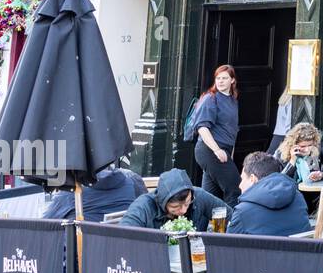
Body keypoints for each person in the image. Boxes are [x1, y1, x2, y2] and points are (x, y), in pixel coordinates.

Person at [192, 64, 242, 206]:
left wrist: (229, 153)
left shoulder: (233, 101)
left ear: (232, 80)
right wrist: (217, 150)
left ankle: (201, 226)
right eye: (218, 78)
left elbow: (232, 131)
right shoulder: (210, 98)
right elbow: (202, 128)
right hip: (210, 150)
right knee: (235, 188)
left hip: (223, 150)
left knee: (209, 196)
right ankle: (234, 226)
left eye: (224, 78)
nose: (220, 81)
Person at [228, 151, 311, 237]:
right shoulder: (298, 197)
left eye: (243, 179)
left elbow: (227, 247)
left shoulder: (242, 211)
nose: (240, 185)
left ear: (252, 179)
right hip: (301, 250)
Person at [119, 168, 229, 232]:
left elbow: (233, 218)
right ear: (163, 202)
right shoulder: (143, 206)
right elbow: (124, 234)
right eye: (175, 207)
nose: (183, 211)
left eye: (187, 203)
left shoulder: (199, 196)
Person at [44, 165, 147, 222]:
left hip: (82, 257)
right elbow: (148, 215)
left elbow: (41, 227)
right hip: (123, 255)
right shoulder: (133, 180)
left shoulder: (69, 193)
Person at [267, 89, 293, 157]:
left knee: (268, 159)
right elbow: (289, 124)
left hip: (278, 134)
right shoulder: (292, 101)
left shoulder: (285, 99)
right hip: (285, 136)